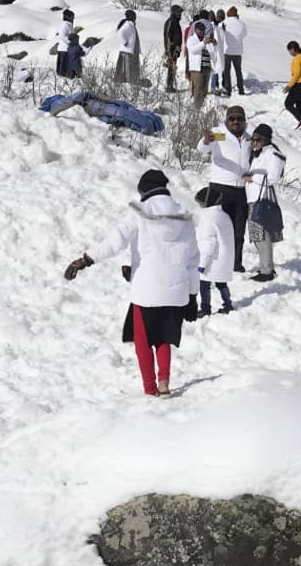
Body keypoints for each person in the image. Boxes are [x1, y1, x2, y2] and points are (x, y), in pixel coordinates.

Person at [63, 170, 199, 398]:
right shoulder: (183, 215)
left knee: (143, 341)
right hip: (176, 290)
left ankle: (149, 390)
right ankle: (164, 382)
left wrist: (86, 259)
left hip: (146, 290)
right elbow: (193, 258)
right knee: (164, 337)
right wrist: (193, 295)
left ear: (144, 190)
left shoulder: (139, 211)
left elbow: (115, 241)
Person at [198, 103, 252, 271]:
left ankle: (235, 264)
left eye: (239, 119)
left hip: (242, 190)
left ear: (244, 121)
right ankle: (211, 264)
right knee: (215, 229)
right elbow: (202, 148)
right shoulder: (219, 134)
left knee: (238, 231)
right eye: (232, 119)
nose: (236, 122)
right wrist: (206, 141)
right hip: (220, 189)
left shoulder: (249, 138)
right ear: (227, 120)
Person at [246, 123, 286, 282]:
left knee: (262, 237)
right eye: (253, 140)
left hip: (262, 200)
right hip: (253, 199)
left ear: (266, 140)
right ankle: (265, 266)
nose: (254, 143)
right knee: (257, 236)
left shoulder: (273, 154)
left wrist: (251, 178)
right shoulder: (259, 153)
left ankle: (267, 271)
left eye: (258, 140)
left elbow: (273, 178)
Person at [194, 189, 235, 317]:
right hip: (225, 258)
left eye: (200, 203)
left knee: (204, 284)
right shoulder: (224, 215)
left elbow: (208, 244)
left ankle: (205, 308)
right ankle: (228, 304)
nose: (200, 206)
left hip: (213, 260)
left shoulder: (209, 219)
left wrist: (202, 264)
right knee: (221, 283)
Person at [282, 40, 301, 129]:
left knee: (288, 103)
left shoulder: (297, 59)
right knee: (299, 106)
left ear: (292, 49)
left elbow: (297, 74)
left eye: (289, 50)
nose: (289, 53)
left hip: (300, 85)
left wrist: (289, 86)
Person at [219, 7, 247, 96]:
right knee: (238, 71)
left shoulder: (224, 23)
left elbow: (220, 34)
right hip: (238, 52)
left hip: (227, 51)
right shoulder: (242, 23)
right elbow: (244, 34)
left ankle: (228, 89)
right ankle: (241, 89)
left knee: (227, 71)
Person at [184, 18, 213, 102]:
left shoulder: (205, 39)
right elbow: (193, 50)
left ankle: (201, 107)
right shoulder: (191, 39)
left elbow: (212, 51)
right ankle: (196, 109)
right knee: (198, 88)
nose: (202, 32)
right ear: (195, 30)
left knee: (204, 90)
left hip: (206, 67)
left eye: (203, 30)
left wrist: (214, 44)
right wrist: (203, 43)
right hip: (196, 68)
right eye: (200, 30)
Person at [162, 5, 186, 95]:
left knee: (172, 67)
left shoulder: (175, 22)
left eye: (180, 12)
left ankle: (170, 85)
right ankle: (169, 86)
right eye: (179, 12)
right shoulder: (171, 21)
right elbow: (167, 36)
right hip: (171, 49)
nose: (180, 14)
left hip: (175, 50)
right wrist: (171, 47)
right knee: (171, 67)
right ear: (174, 12)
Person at [115, 9, 141, 86]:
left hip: (128, 50)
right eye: (134, 16)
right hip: (128, 50)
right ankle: (130, 82)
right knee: (128, 67)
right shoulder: (128, 25)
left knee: (125, 67)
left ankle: (126, 81)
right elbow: (120, 33)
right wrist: (125, 42)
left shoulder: (130, 24)